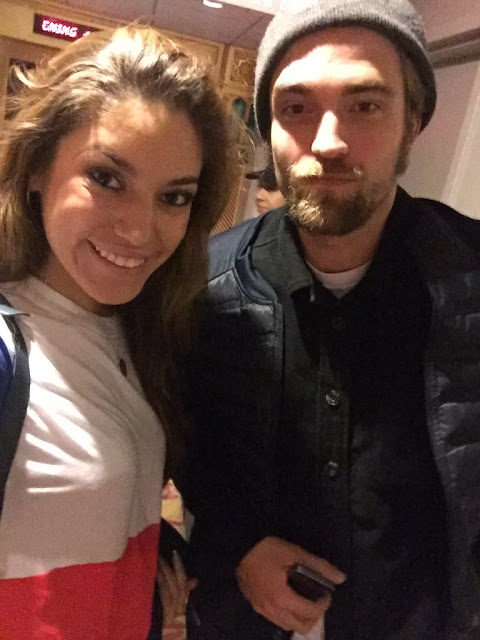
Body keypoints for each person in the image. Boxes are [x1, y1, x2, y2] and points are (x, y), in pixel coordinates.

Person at [177, 1, 480, 639]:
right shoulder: (199, 288)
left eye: (365, 105)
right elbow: (185, 440)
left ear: (414, 121)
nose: (327, 142)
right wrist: (239, 543)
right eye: (295, 107)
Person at [0, 25, 233, 639]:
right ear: (36, 168)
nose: (138, 229)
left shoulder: (142, 331)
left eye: (173, 197)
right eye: (106, 178)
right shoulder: (8, 349)